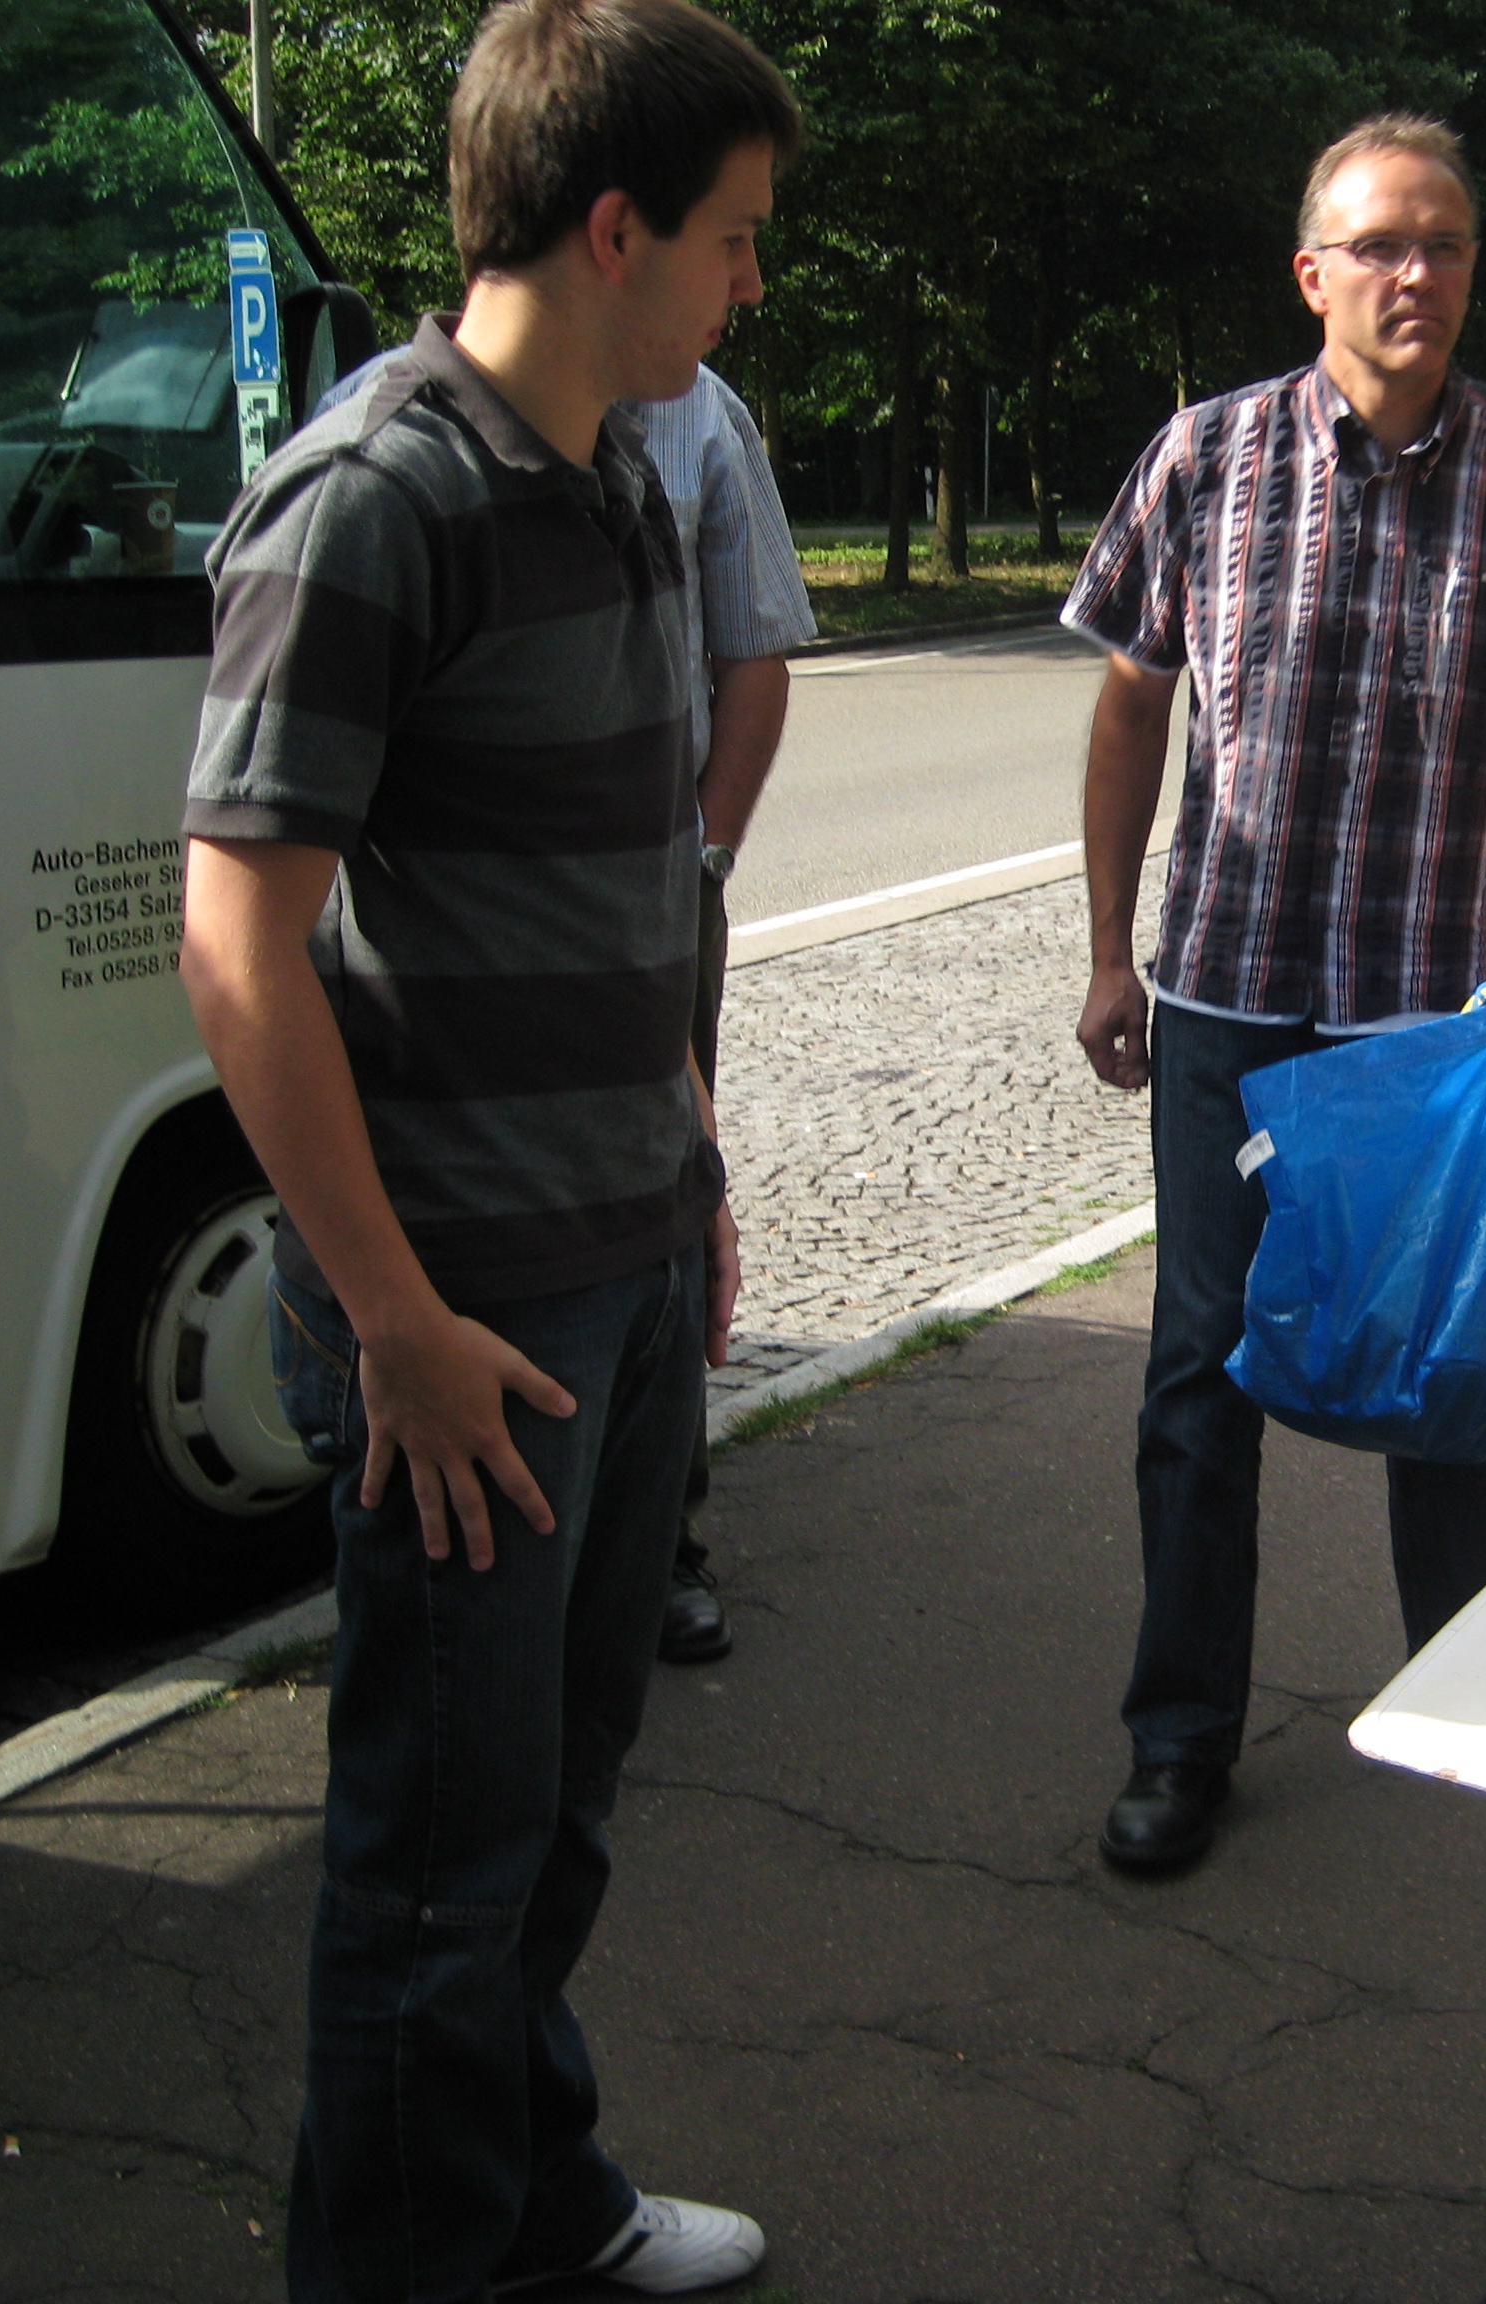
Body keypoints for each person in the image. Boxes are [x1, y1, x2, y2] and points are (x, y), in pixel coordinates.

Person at [177, 3, 797, 2294]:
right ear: (615, 231)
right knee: (433, 1868)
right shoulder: (374, 498)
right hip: (466, 1313)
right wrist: (393, 1321)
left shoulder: (623, 470)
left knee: (550, 1816)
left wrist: (688, 1164)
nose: (752, 285)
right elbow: (237, 944)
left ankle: (534, 2200)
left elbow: (634, 889)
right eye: (733, 239)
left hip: (620, 1263)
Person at [1066, 112, 1486, 1877]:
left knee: (1444, 1376)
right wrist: (1108, 949)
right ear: (1311, 273)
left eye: (1445, 244)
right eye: (1381, 245)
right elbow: (1129, 710)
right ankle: (1180, 1740)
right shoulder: (1207, 457)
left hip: (1432, 1020)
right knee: (1201, 1378)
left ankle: (1468, 1707)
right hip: (1233, 1000)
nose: (1417, 275)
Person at [640, 366, 818, 1665]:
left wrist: (702, 866)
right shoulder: (383, 430)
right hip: (471, 907)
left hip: (660, 884)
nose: (748, 283)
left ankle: (659, 1540)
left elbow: (756, 650)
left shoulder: (702, 415)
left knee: (667, 1190)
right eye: (726, 260)